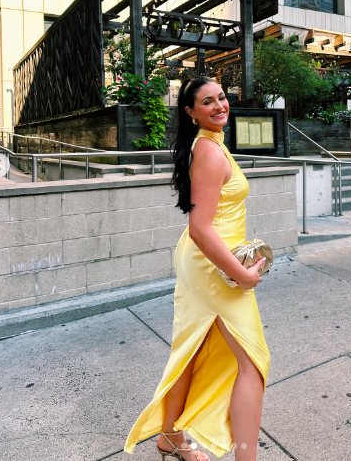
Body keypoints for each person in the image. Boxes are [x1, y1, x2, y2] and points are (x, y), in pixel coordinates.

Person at [124, 77, 270, 460]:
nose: (220, 105)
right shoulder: (208, 150)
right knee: (254, 362)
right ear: (190, 112)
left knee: (193, 349)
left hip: (209, 260)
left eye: (221, 97)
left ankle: (169, 437)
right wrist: (242, 275)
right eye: (208, 102)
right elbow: (201, 228)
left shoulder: (210, 144)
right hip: (213, 267)